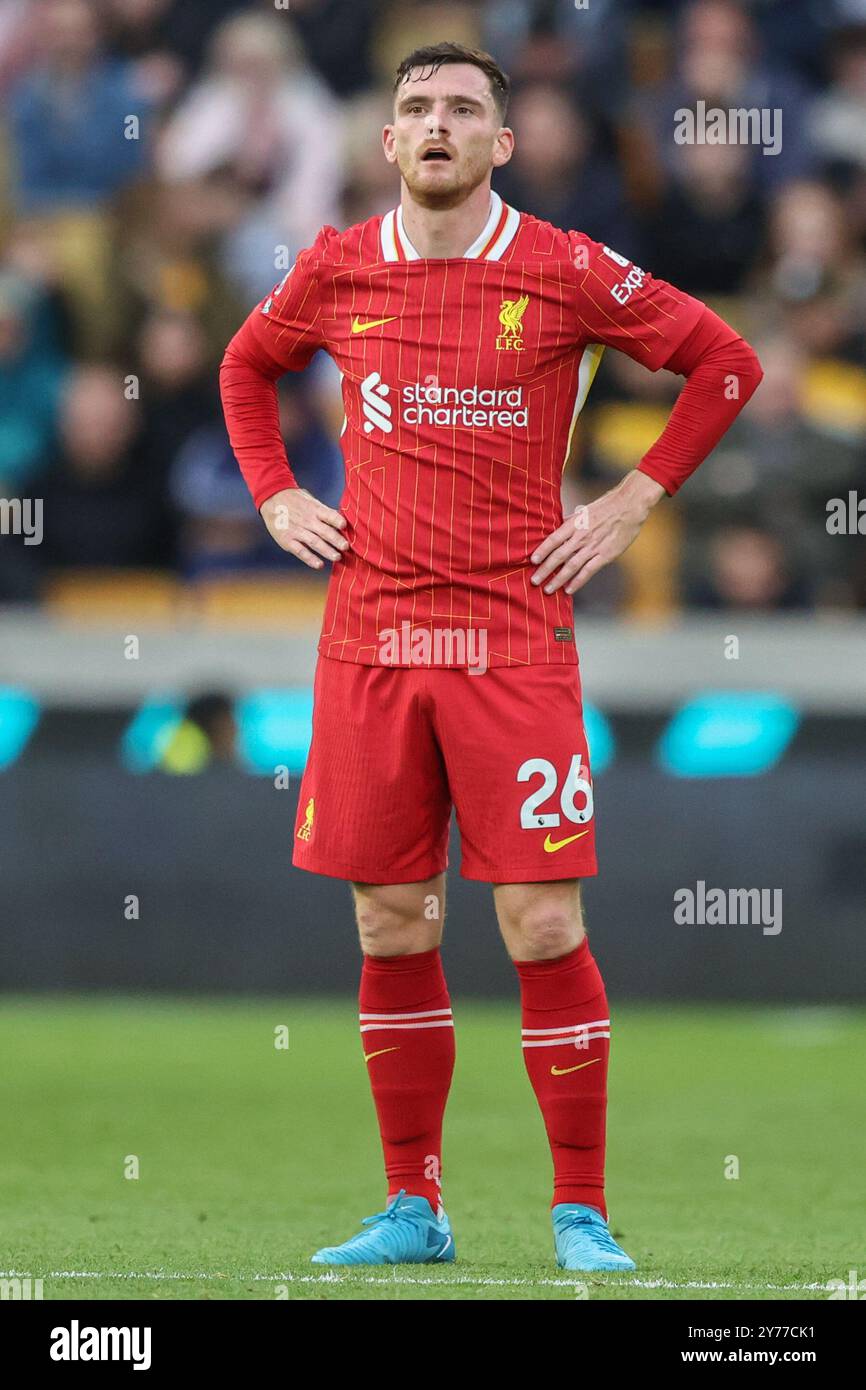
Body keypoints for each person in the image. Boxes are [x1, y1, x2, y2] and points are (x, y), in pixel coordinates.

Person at [220, 42, 763, 1273]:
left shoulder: (564, 268)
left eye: (463, 110)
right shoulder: (336, 264)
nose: (436, 126)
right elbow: (245, 366)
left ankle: (578, 1210)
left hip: (512, 641)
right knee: (390, 924)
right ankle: (413, 1207)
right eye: (416, 108)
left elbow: (725, 364)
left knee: (534, 922)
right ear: (386, 140)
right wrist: (272, 497)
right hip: (367, 640)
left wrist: (626, 505)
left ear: (499, 145)